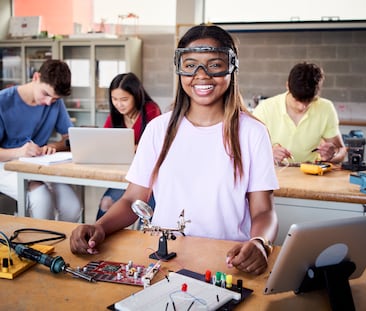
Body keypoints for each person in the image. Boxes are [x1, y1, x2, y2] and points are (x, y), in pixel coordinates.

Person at [70, 24, 279, 275]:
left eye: (214, 64)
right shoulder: (159, 129)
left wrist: (259, 243)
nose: (201, 75)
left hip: (227, 261)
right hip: (164, 259)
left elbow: (263, 210)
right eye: (190, 65)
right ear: (179, 69)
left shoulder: (252, 133)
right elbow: (132, 200)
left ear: (232, 67)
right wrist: (100, 227)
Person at [0, 59, 82, 222]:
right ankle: (41, 245)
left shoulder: (55, 103)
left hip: (39, 163)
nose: (48, 102)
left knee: (72, 207)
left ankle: (64, 244)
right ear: (36, 77)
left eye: (54, 99)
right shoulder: (3, 101)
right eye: (46, 94)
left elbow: (70, 139)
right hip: (6, 162)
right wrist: (20, 151)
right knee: (41, 197)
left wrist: (53, 146)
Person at [253, 62, 346, 165]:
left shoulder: (326, 108)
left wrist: (331, 156)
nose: (302, 107)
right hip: (274, 175)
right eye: (297, 101)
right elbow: (245, 151)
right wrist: (268, 154)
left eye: (309, 101)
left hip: (311, 175)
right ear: (287, 86)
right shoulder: (265, 109)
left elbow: (341, 151)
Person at [96, 72, 161, 220]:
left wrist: (133, 148)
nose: (119, 104)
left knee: (143, 210)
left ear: (136, 96)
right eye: (114, 99)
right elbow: (104, 141)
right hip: (122, 173)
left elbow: (155, 146)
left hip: (145, 176)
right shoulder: (115, 115)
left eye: (124, 99)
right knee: (106, 203)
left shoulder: (151, 110)